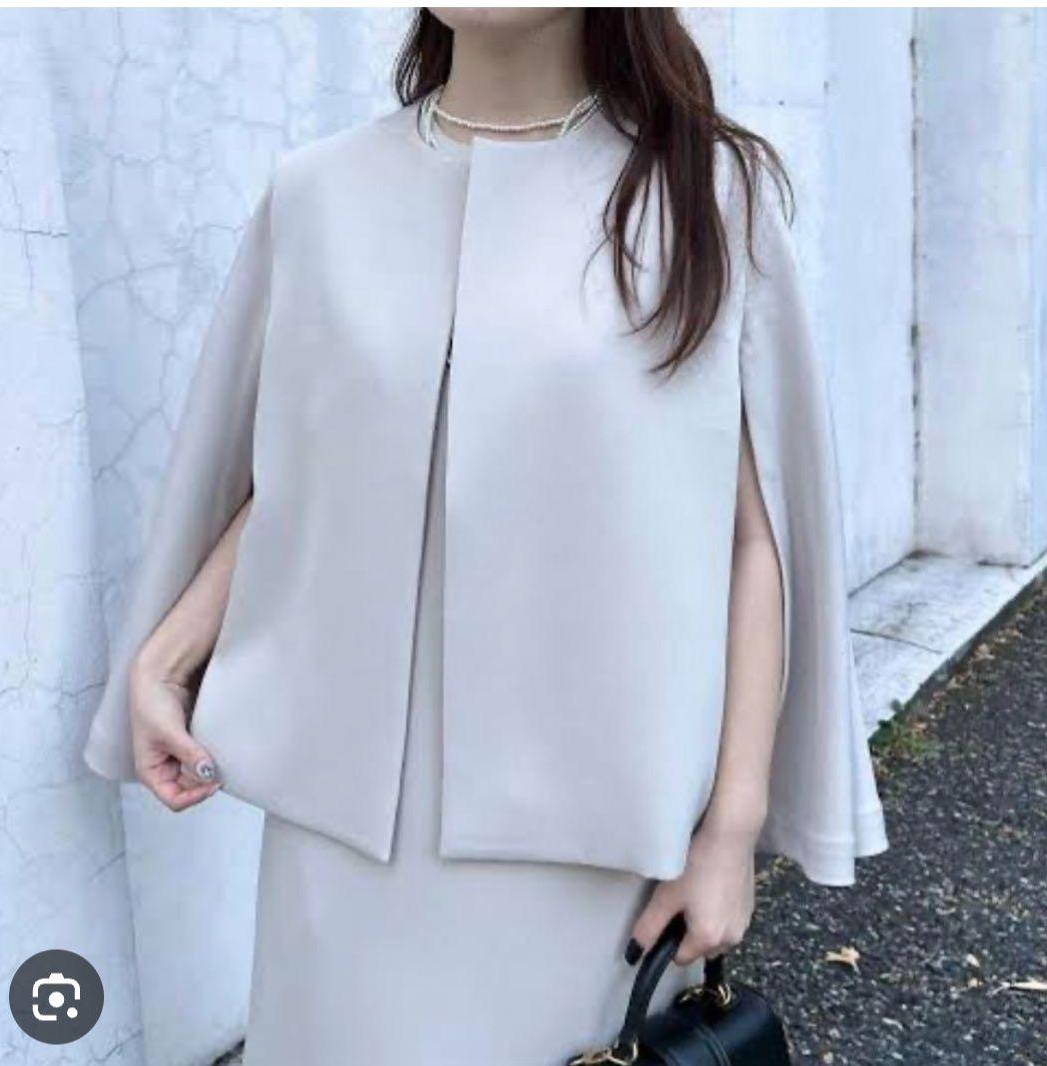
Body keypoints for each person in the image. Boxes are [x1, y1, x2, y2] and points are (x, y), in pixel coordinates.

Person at [83, 9, 887, 1063]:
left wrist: (732, 830)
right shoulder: (318, 194)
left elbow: (753, 538)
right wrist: (167, 657)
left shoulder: (704, 194)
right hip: (343, 841)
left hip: (594, 840)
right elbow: (307, 477)